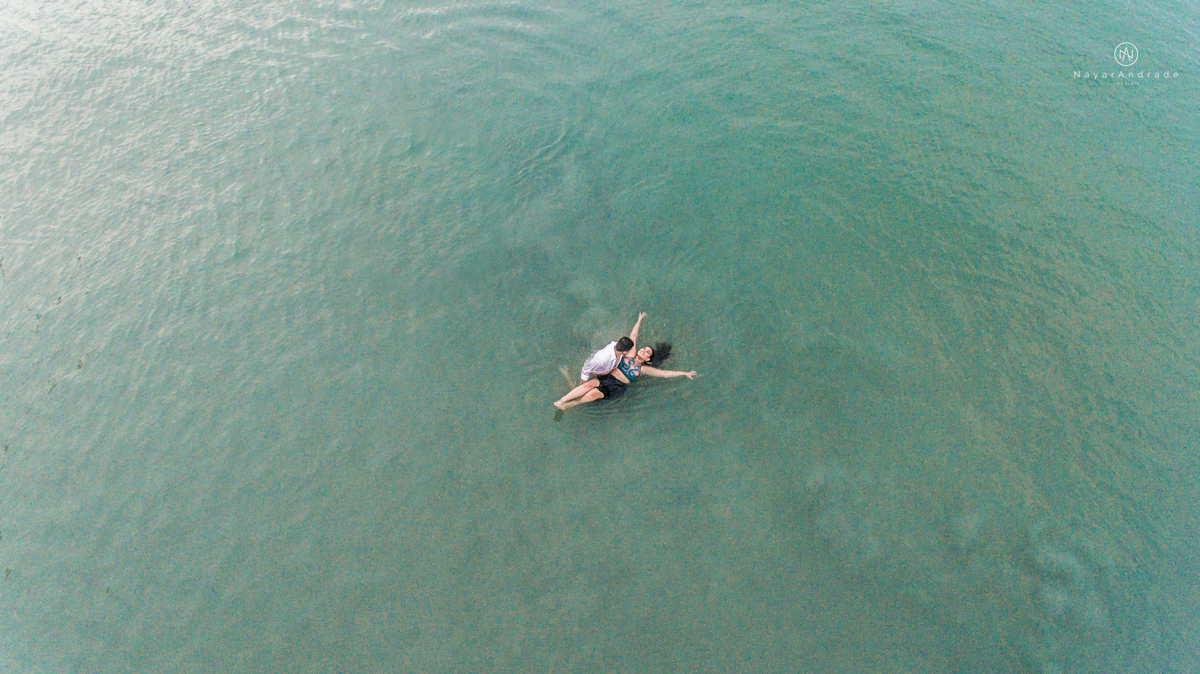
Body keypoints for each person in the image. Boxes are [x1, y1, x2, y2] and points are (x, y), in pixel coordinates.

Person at [554, 315, 697, 411]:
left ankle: (572, 404)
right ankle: (562, 400)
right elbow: (633, 336)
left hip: (617, 386)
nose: (644, 351)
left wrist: (684, 373)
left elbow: (664, 373)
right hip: (607, 377)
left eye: (647, 353)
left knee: (593, 395)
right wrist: (639, 320)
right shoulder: (630, 354)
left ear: (648, 359)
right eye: (644, 349)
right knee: (590, 384)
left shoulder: (643, 369)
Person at [577, 312, 645, 382]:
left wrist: (639, 319)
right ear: (625, 352)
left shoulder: (619, 346)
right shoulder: (600, 359)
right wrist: (584, 384)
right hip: (597, 372)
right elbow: (585, 371)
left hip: (607, 370)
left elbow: (633, 336)